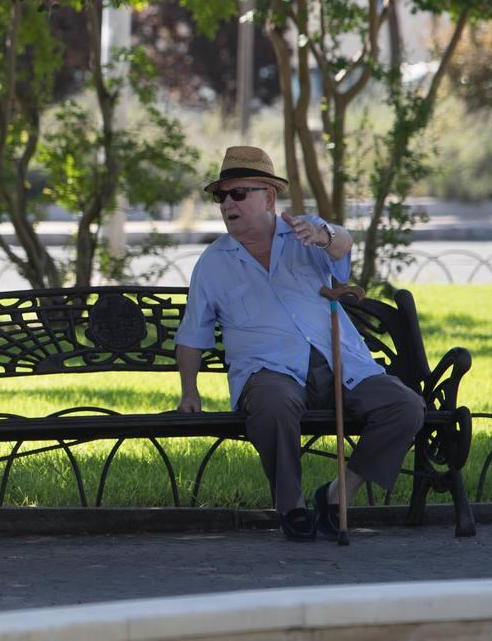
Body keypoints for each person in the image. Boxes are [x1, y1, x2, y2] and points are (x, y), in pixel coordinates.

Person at [174, 147, 423, 542]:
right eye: (221, 196)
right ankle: (290, 505)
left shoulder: (307, 233)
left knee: (405, 405)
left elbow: (344, 244)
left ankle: (339, 493)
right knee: (273, 403)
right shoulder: (213, 263)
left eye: (238, 194)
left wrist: (324, 236)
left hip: (341, 364)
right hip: (269, 372)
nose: (227, 205)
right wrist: (189, 391)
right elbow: (191, 336)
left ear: (269, 198)